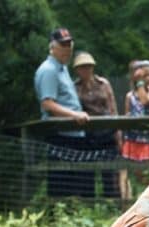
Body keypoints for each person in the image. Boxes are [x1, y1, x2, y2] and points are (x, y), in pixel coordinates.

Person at [33, 27, 91, 197]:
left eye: (69, 45)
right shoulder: (48, 70)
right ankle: (57, 216)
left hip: (73, 133)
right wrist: (75, 115)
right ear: (53, 46)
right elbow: (47, 104)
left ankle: (70, 213)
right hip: (60, 134)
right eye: (63, 45)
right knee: (60, 181)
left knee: (73, 179)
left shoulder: (62, 68)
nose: (68, 49)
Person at [72, 51, 120, 197]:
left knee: (110, 173)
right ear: (77, 70)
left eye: (88, 66)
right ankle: (88, 203)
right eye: (82, 67)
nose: (85, 69)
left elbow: (113, 108)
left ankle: (113, 203)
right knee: (86, 172)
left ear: (92, 67)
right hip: (87, 134)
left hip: (107, 132)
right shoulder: (74, 87)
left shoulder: (103, 84)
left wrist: (118, 133)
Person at [121, 60, 149, 196]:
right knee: (131, 172)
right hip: (132, 138)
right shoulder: (129, 96)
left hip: (148, 138)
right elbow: (126, 115)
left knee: (146, 173)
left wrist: (140, 83)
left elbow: (145, 101)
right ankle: (127, 202)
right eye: (145, 76)